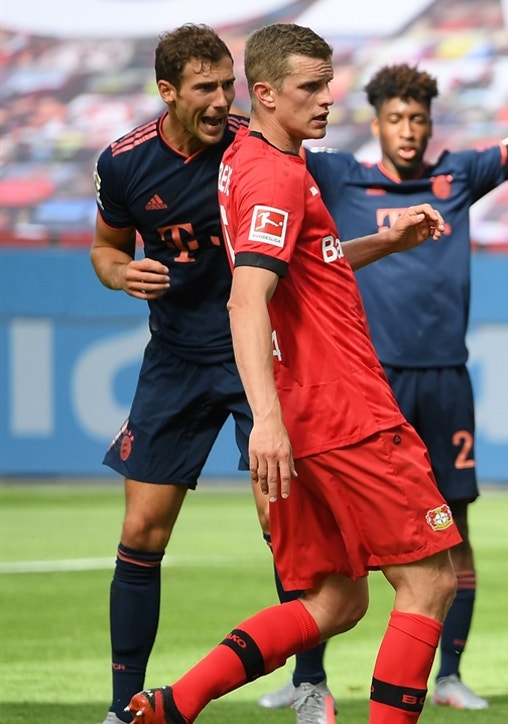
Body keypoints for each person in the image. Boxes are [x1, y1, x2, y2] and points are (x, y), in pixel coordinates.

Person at [127, 23, 460, 724]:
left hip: (309, 419)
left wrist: (383, 240)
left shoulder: (251, 157)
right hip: (345, 413)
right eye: (311, 88)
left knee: (336, 600)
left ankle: (172, 705)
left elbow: (299, 269)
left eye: (328, 84)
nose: (328, 99)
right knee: (429, 580)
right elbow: (246, 298)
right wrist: (266, 424)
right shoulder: (276, 172)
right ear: (268, 94)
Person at [254, 61, 508, 713]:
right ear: (375, 123)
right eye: (397, 119)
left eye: (418, 120)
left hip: (444, 380)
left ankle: (449, 674)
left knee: (452, 526)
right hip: (363, 384)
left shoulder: (455, 175)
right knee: (324, 534)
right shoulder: (338, 174)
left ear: (430, 126)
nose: (408, 131)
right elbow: (272, 150)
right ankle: (306, 676)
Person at [88, 24, 260, 724]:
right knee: (143, 529)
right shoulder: (125, 163)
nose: (223, 100)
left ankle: (308, 687)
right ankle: (122, 703)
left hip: (260, 355)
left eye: (229, 84)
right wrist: (123, 272)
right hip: (178, 359)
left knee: (290, 528)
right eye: (206, 88)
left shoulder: (258, 147)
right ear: (168, 92)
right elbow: (104, 248)